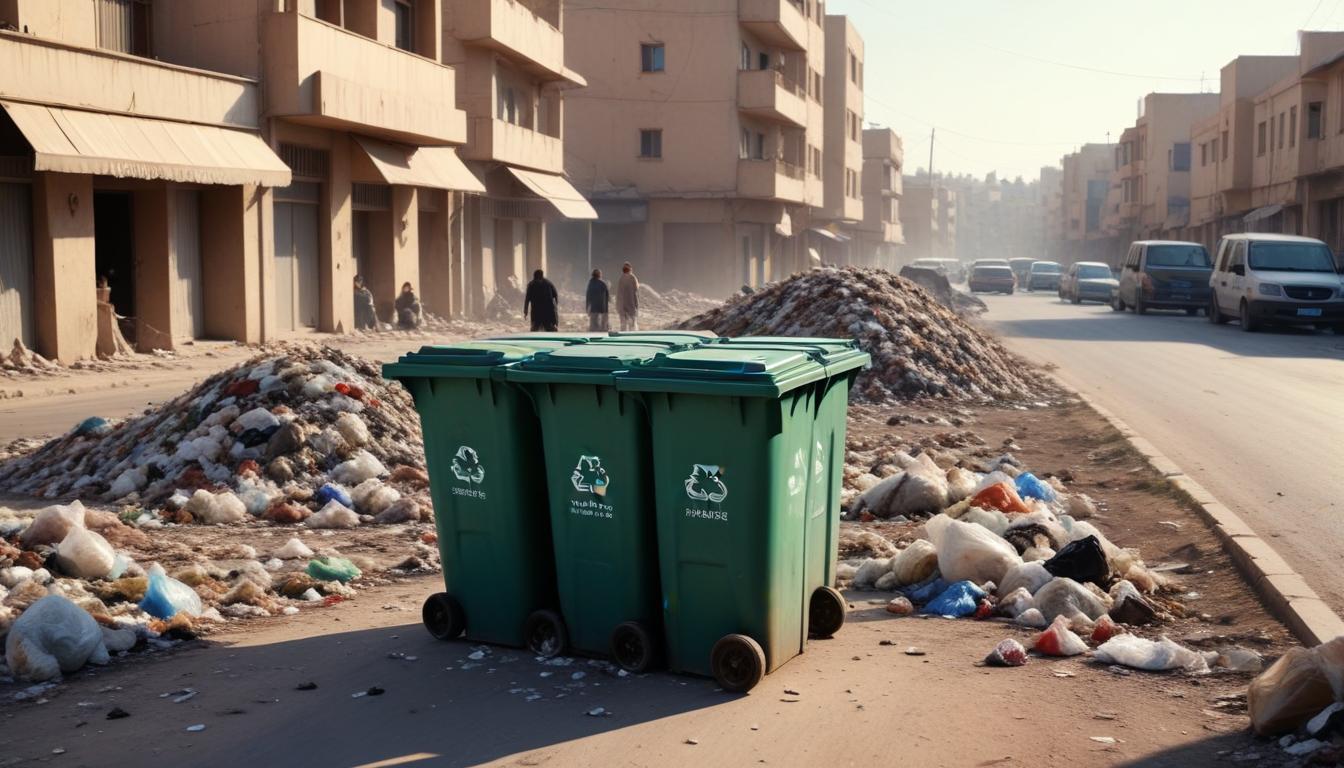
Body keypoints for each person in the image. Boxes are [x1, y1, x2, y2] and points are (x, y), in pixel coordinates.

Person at [616, 262, 639, 331]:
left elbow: (619, 293)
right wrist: (636, 304)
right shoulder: (633, 278)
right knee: (632, 324)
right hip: (631, 304)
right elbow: (636, 292)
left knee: (623, 324)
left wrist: (618, 305)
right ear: (630, 269)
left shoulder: (621, 278)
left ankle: (623, 337)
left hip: (622, 305)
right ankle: (632, 337)